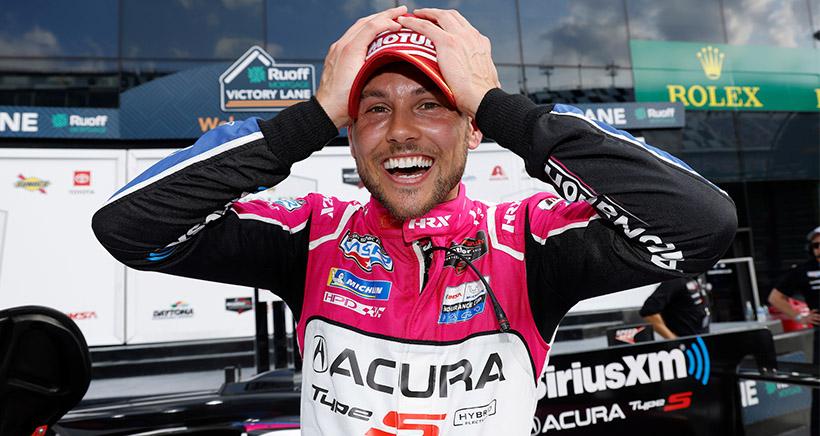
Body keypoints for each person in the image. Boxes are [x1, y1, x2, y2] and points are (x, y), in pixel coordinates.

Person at [91, 7, 737, 435]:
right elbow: (128, 227)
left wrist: (501, 107)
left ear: (472, 128)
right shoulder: (313, 236)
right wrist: (308, 119)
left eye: (430, 104)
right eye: (374, 109)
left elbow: (701, 223)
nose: (400, 131)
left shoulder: (528, 242)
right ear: (348, 134)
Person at [767, 225, 820, 436]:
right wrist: (800, 316)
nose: (819, 249)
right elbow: (775, 298)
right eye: (816, 245)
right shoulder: (804, 271)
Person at [640, 275, 711, 339]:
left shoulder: (697, 276)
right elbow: (648, 310)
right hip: (685, 342)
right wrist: (672, 338)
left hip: (703, 336)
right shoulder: (675, 280)